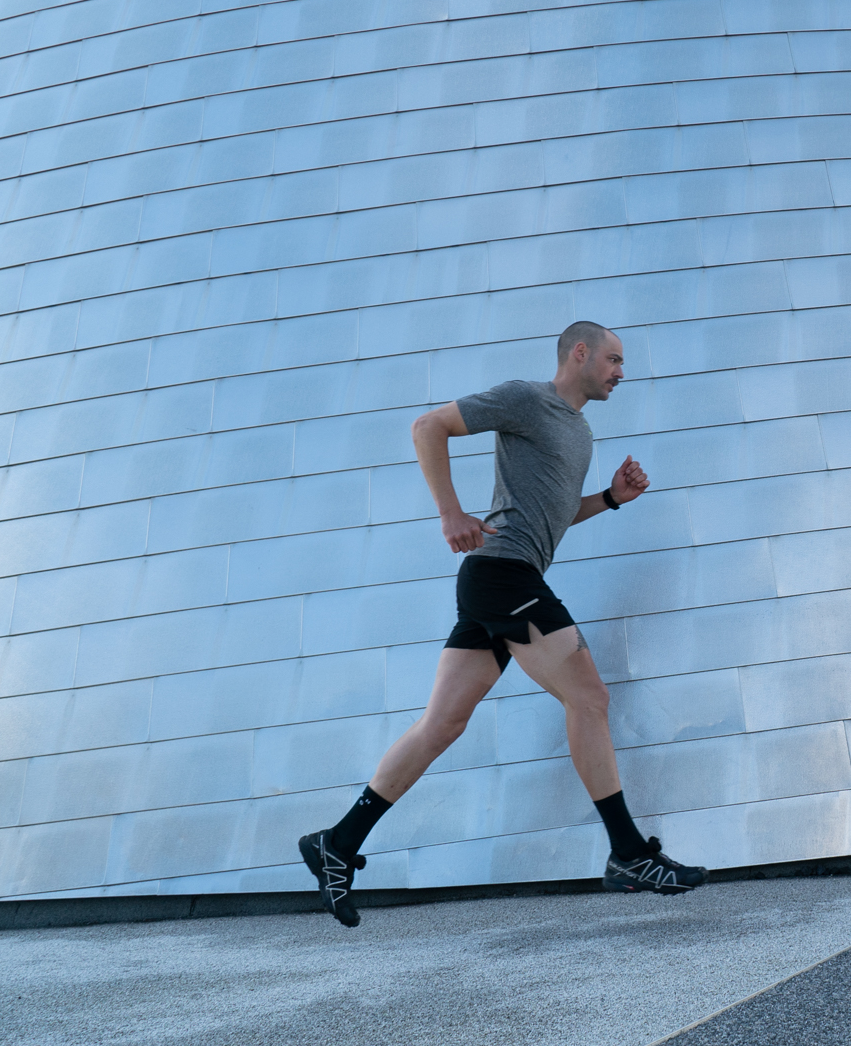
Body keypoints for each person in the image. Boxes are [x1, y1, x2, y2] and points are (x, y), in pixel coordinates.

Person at [298, 320, 706, 926]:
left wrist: (610, 499)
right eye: (615, 360)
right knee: (589, 699)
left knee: (442, 724)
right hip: (504, 577)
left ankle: (337, 842)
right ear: (580, 352)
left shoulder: (580, 432)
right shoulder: (526, 398)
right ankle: (627, 853)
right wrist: (450, 513)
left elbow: (552, 515)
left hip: (499, 581)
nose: (622, 373)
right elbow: (428, 426)